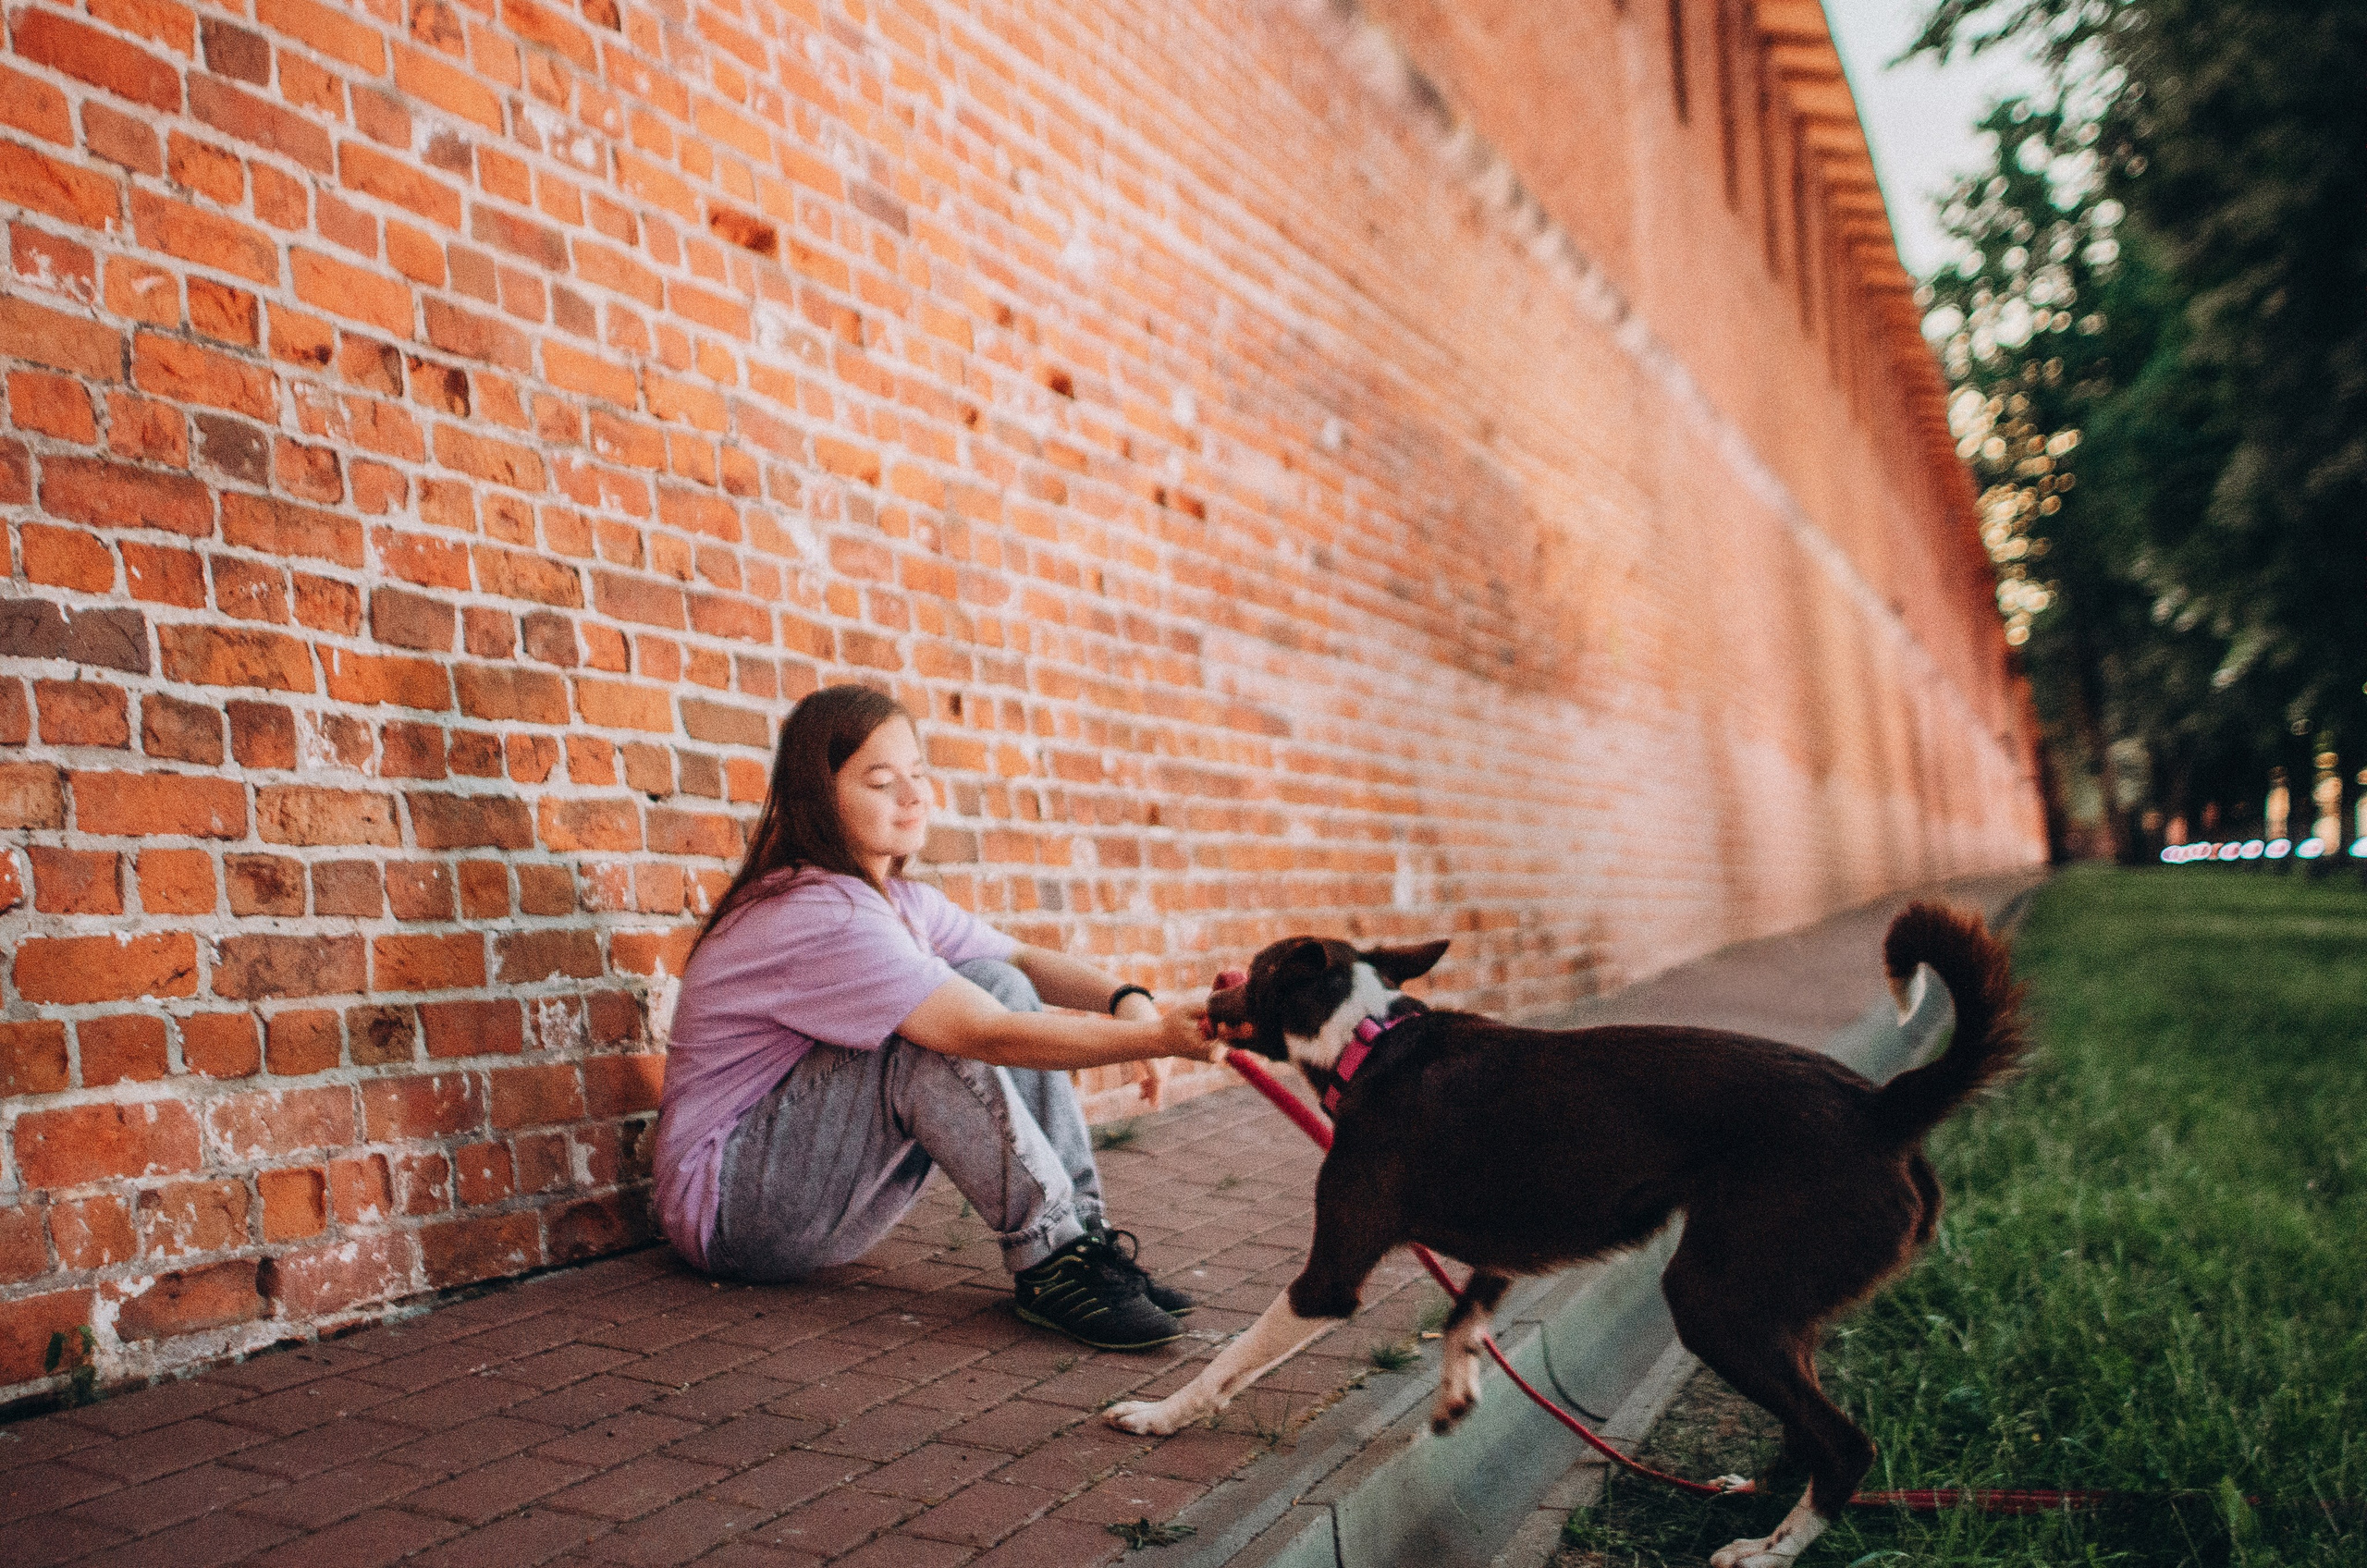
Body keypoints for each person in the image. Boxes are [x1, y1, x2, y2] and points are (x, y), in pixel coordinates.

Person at [652, 683, 1219, 1350]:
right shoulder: (820, 912)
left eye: (918, 774)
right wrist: (1152, 1038)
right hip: (730, 1210)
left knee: (994, 980)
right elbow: (984, 1035)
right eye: (882, 780)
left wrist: (1127, 998)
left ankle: (1082, 1246)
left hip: (804, 1196)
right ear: (819, 797)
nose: (914, 795)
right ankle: (1052, 1257)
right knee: (924, 1035)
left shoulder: (898, 901)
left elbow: (1024, 961)